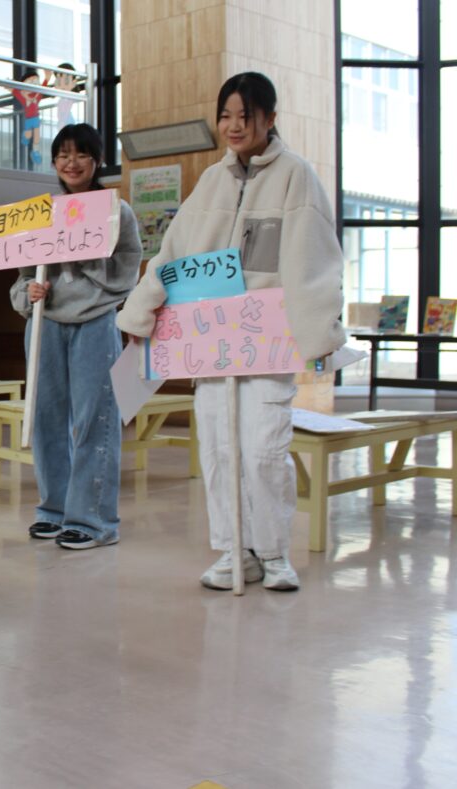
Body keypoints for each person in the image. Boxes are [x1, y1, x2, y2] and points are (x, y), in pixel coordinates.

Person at [117, 72, 345, 592]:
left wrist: (318, 338)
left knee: (264, 449)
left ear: (270, 118)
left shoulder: (296, 176)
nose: (235, 125)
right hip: (209, 340)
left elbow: (314, 262)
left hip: (266, 339)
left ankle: (273, 552)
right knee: (219, 449)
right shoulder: (211, 182)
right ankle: (232, 550)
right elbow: (173, 254)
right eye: (226, 115)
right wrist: (140, 314)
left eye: (246, 115)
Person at [10, 123, 142, 550]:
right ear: (53, 162)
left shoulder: (116, 210)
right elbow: (22, 275)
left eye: (82, 154)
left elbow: (128, 266)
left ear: (97, 161)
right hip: (44, 322)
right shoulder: (39, 212)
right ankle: (53, 510)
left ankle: (93, 520)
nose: (72, 162)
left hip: (95, 321)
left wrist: (85, 260)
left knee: (94, 419)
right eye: (63, 154)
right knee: (45, 418)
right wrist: (28, 294)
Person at [13, 70, 45, 167]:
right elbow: (16, 92)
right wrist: (11, 85)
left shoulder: (37, 97)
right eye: (30, 83)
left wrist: (47, 78)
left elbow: (43, 88)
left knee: (36, 136)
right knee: (28, 134)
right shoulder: (23, 98)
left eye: (36, 83)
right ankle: (24, 137)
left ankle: (35, 152)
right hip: (29, 119)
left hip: (36, 119)